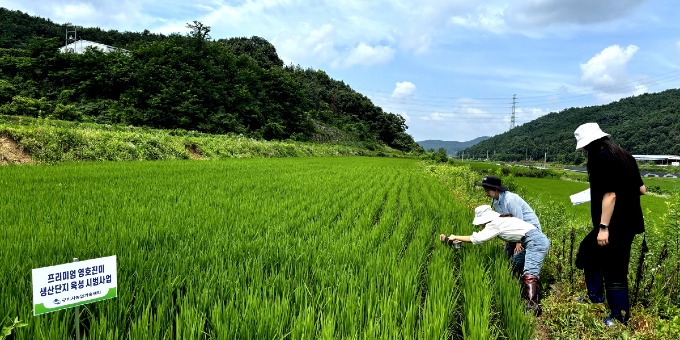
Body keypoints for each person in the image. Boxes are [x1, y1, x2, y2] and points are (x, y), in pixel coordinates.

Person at [573, 122, 645, 327]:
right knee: (588, 252)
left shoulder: (600, 159)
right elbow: (642, 189)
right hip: (629, 221)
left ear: (589, 144)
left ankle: (619, 317)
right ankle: (595, 298)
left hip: (615, 225)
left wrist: (604, 227)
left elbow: (610, 194)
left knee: (615, 269)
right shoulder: (624, 155)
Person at [440, 205, 550, 315]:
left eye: (481, 223)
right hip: (533, 240)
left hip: (535, 242)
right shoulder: (501, 220)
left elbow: (477, 238)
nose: (481, 226)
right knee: (516, 262)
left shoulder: (495, 224)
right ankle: (519, 288)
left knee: (530, 272)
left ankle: (531, 307)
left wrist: (455, 237)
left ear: (485, 220)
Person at [476, 176, 541, 275]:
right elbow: (503, 219)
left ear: (496, 189)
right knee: (506, 255)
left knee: (517, 258)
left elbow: (520, 220)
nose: (486, 194)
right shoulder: (496, 201)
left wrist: (519, 242)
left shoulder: (509, 200)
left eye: (488, 191)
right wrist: (508, 240)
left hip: (528, 231)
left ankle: (519, 279)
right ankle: (511, 276)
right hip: (514, 230)